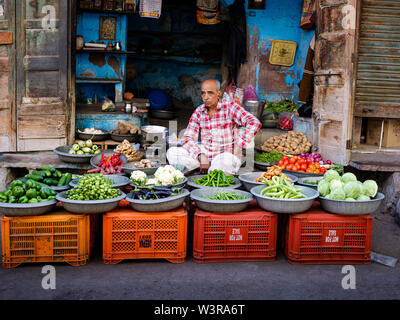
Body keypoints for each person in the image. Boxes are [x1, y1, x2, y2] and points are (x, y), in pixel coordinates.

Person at [167, 79, 262, 175]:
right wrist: (200, 155)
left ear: (219, 93)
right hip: (205, 155)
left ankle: (202, 171)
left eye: (210, 93)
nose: (206, 97)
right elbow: (187, 138)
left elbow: (254, 122)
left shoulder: (230, 107)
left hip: (225, 155)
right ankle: (202, 168)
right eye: (203, 93)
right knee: (172, 152)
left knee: (223, 166)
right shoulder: (199, 111)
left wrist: (239, 144)